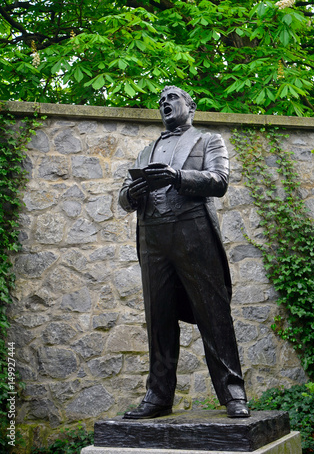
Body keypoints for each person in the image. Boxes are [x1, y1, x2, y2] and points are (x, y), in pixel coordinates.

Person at [118, 85, 249, 419]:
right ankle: (158, 396)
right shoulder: (146, 151)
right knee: (158, 318)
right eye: (160, 100)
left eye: (172, 97)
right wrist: (130, 194)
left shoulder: (208, 141)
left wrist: (177, 177)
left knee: (213, 314)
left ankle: (233, 393)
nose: (164, 102)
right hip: (152, 236)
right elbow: (121, 198)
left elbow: (219, 180)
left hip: (193, 232)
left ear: (191, 105)